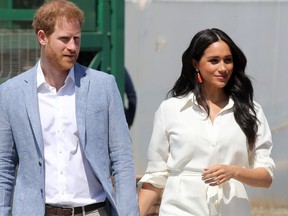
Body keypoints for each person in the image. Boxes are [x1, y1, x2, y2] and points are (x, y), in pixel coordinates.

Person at [0, 1, 139, 216]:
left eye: (76, 39)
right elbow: (4, 167)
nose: (72, 47)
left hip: (93, 211)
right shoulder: (11, 93)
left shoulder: (103, 85)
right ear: (42, 37)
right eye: (64, 39)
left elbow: (122, 158)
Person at [138, 28, 275, 216]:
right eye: (214, 61)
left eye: (228, 60)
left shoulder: (251, 112)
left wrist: (234, 171)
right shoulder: (171, 110)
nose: (223, 68)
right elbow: (155, 175)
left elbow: (266, 177)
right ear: (196, 63)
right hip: (180, 210)